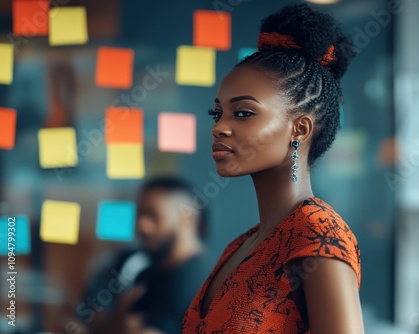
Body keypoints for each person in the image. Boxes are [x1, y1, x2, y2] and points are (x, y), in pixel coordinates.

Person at [182, 3, 363, 333]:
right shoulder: (242, 245)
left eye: (244, 113)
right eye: (217, 114)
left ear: (300, 129)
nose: (219, 127)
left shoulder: (318, 233)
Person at [79, 176, 211, 334]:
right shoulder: (149, 272)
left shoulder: (192, 284)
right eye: (139, 215)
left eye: (152, 215)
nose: (142, 225)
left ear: (187, 217)